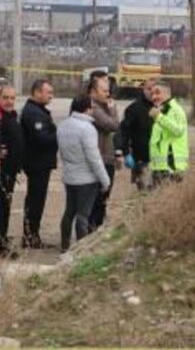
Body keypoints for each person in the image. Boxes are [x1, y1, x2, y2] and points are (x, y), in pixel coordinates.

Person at [57, 96, 111, 251]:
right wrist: (105, 180)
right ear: (87, 109)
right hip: (86, 179)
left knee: (69, 213)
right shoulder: (87, 128)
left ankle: (65, 246)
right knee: (83, 215)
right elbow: (94, 158)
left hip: (69, 177)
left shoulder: (63, 125)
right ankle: (81, 250)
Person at [20, 79, 57, 248]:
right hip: (37, 163)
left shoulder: (39, 111)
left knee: (37, 200)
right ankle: (30, 236)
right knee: (35, 201)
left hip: (41, 162)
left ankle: (32, 234)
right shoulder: (33, 113)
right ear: (37, 92)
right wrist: (60, 136)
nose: (51, 96)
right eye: (48, 92)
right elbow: (41, 139)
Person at [0, 85, 23, 258]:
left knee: (5, 208)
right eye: (5, 98)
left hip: (10, 171)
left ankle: (0, 239)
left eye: (12, 98)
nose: (9, 101)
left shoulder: (11, 116)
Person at [87, 73, 120, 230]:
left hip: (107, 157)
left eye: (108, 91)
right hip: (99, 159)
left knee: (103, 199)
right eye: (104, 91)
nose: (108, 94)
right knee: (97, 199)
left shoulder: (102, 106)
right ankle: (91, 230)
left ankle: (95, 227)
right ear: (93, 92)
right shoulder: (94, 108)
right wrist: (113, 109)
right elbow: (113, 125)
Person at [116, 78, 156, 191]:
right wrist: (125, 152)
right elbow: (123, 132)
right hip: (141, 159)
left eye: (155, 89)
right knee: (144, 193)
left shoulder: (162, 108)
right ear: (143, 89)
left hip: (160, 160)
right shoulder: (133, 109)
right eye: (149, 89)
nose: (152, 92)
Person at [148, 82, 188, 186]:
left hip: (172, 165)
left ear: (167, 93)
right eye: (152, 94)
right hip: (159, 165)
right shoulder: (162, 110)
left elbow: (178, 131)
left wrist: (159, 117)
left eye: (157, 93)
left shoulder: (175, 109)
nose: (154, 97)